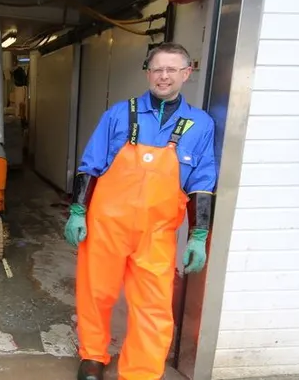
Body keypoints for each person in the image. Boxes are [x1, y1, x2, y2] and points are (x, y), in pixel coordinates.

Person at [64, 42, 218, 380]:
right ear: (148, 72)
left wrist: (198, 234)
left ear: (186, 73)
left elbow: (202, 182)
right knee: (95, 293)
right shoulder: (118, 114)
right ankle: (93, 355)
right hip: (106, 225)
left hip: (157, 233)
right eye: (157, 69)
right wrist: (78, 210)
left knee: (153, 306)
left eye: (171, 69)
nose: (163, 76)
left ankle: (142, 371)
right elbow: (91, 164)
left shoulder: (201, 125)